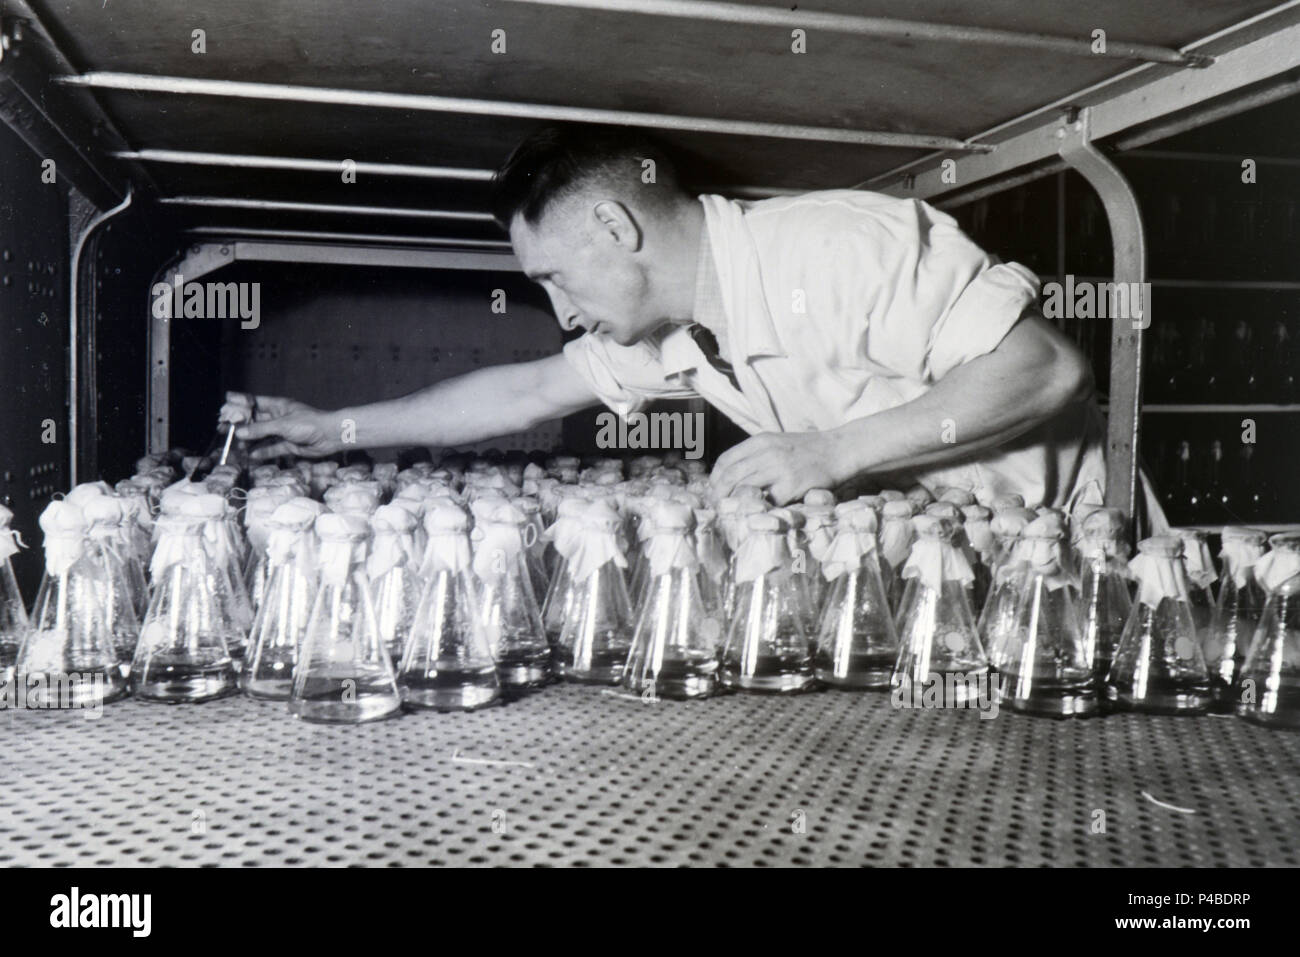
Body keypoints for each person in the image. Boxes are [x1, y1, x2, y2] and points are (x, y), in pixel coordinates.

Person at [231, 124, 1107, 509]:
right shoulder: (673, 329)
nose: (563, 316)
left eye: (555, 279)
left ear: (616, 226)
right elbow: (523, 394)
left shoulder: (835, 247)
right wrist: (336, 428)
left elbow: (1046, 370)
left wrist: (831, 451)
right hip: (942, 560)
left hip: (1067, 544)